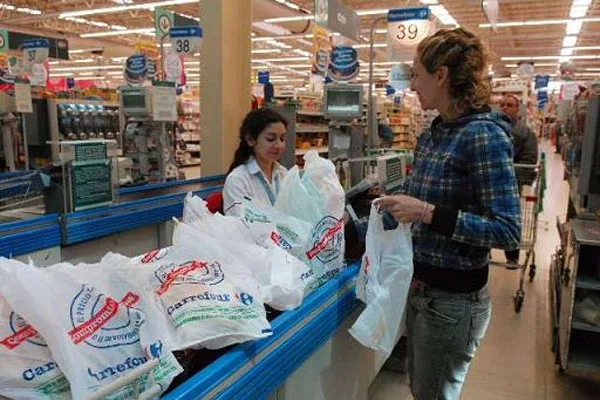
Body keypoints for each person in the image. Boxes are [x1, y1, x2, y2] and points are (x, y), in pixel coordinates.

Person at [376, 27, 521, 400]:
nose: (411, 85)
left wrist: (426, 212)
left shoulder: (483, 136)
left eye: (416, 74)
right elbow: (417, 202)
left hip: (453, 302)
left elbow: (507, 231)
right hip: (423, 290)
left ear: (440, 76)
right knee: (423, 388)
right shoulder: (436, 131)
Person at [222, 108, 288, 216]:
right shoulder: (238, 180)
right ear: (250, 140)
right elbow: (239, 224)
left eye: (282, 138)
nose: (279, 145)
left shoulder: (283, 173)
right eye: (270, 139)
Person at [500, 93, 538, 266]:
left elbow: (529, 160)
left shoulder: (525, 133)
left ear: (517, 109)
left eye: (509, 105)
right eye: (502, 105)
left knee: (511, 219)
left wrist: (512, 176)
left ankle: (512, 256)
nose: (505, 108)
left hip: (511, 185)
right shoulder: (490, 127)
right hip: (486, 184)